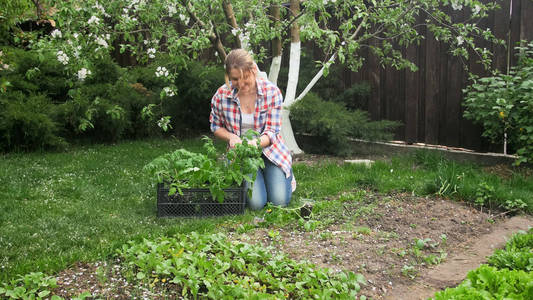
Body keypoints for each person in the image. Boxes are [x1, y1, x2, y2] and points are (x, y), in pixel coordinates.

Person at [209, 49, 295, 210]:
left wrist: (254, 144)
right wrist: (231, 137)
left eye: (245, 78)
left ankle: (283, 175)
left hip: (270, 152)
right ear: (228, 75)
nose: (240, 85)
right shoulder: (221, 95)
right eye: (235, 79)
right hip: (241, 155)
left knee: (279, 201)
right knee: (256, 204)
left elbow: (272, 132)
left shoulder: (272, 92)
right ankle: (258, 180)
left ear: (253, 71)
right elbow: (215, 126)